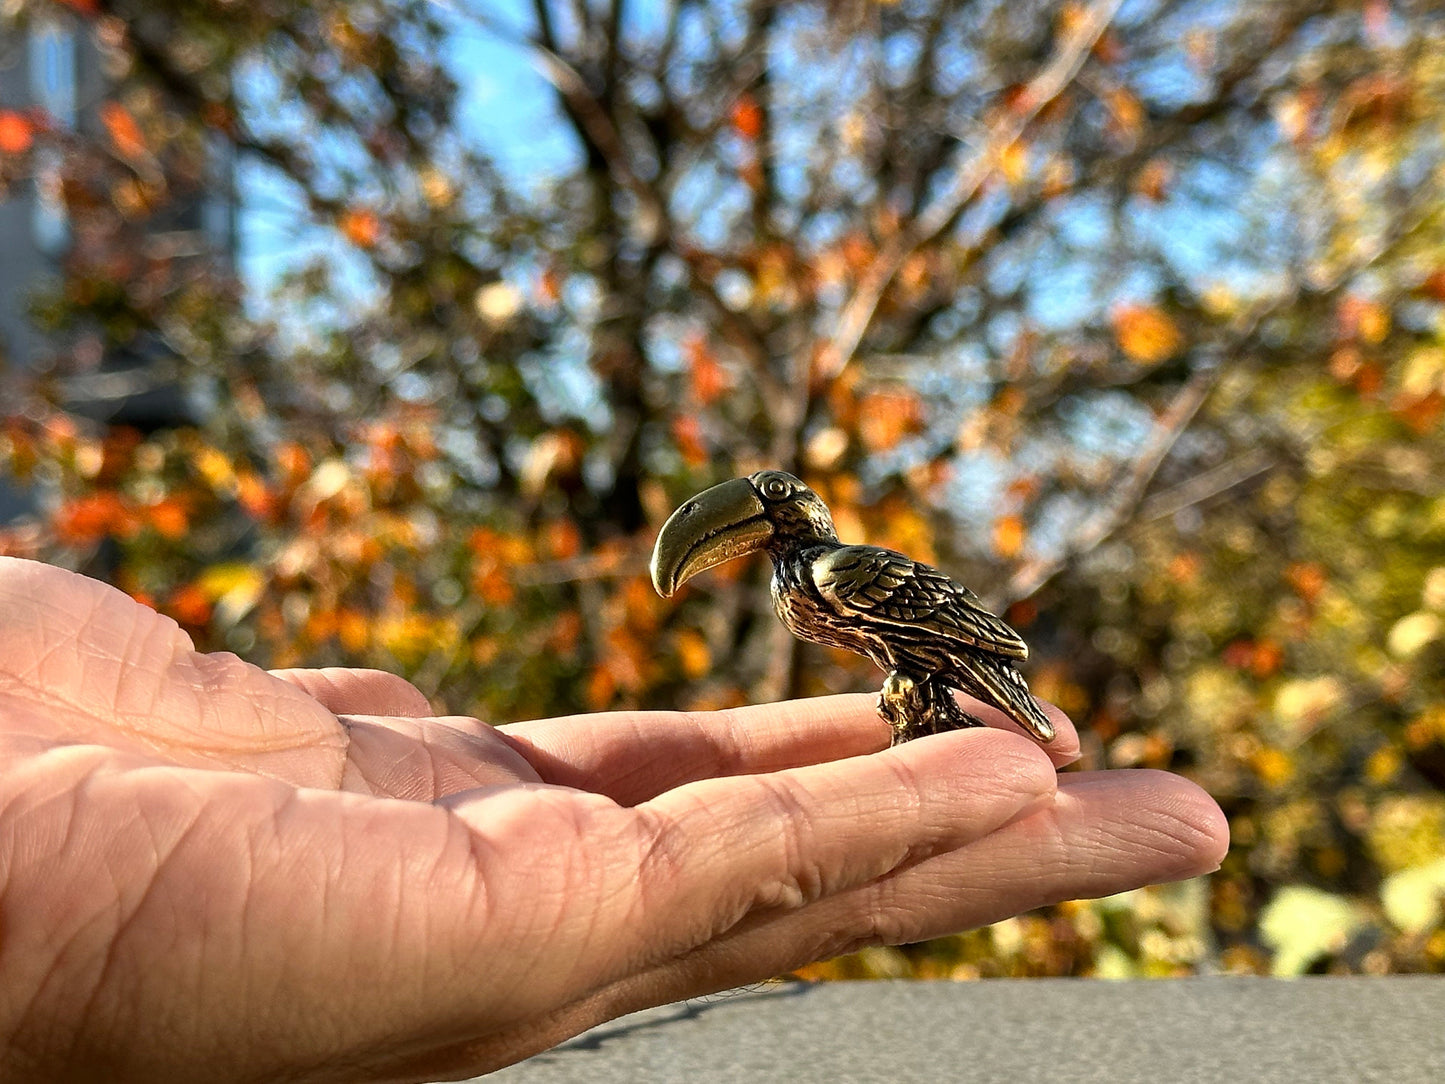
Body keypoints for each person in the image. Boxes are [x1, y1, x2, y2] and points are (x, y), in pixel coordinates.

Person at [0, 556, 1227, 1081]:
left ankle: (954, 719)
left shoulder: (840, 574)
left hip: (952, 658)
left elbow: (937, 619)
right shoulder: (806, 588)